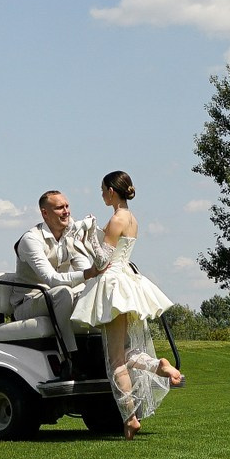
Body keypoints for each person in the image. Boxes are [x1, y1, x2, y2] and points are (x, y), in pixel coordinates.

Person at [68, 169, 186, 437]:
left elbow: (101, 262)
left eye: (102, 190)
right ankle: (159, 366)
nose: (101, 194)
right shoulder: (132, 219)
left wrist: (84, 240)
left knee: (115, 361)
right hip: (128, 284)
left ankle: (129, 417)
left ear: (111, 191)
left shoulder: (116, 220)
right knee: (126, 351)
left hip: (112, 285)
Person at [10, 188, 98, 361]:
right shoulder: (31, 239)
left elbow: (85, 269)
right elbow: (52, 280)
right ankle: (70, 357)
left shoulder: (71, 234)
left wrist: (98, 275)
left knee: (95, 289)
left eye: (67, 206)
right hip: (29, 302)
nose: (66, 211)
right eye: (60, 208)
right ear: (45, 213)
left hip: (57, 297)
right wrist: (90, 273)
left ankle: (106, 354)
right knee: (63, 293)